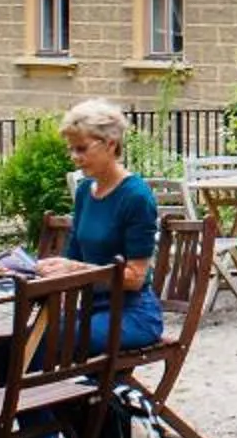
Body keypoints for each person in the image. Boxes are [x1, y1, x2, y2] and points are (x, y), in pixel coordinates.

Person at [38, 98, 166, 352]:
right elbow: (73, 256)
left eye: (82, 149)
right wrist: (42, 269)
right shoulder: (85, 191)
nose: (74, 157)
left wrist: (75, 268)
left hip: (131, 313)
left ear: (110, 144)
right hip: (91, 309)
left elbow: (135, 278)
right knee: (16, 342)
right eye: (71, 149)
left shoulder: (136, 196)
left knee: (47, 343)